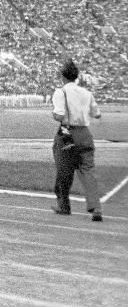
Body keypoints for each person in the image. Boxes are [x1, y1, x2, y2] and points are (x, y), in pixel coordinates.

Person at [51, 59, 103, 222]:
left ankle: (64, 206)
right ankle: (96, 207)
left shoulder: (61, 92)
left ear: (63, 77)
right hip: (85, 135)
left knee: (64, 172)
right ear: (76, 77)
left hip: (67, 135)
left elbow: (59, 115)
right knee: (88, 172)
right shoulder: (86, 93)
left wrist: (55, 114)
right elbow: (96, 114)